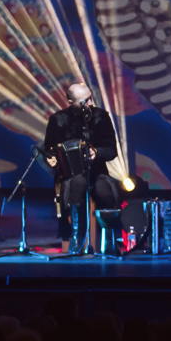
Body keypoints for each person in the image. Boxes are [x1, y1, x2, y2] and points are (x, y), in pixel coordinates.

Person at [41, 82, 120, 249]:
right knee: (78, 184)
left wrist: (97, 152)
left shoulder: (101, 117)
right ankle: (78, 236)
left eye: (91, 98)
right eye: (85, 101)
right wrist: (51, 159)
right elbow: (49, 150)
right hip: (69, 175)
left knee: (104, 190)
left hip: (97, 171)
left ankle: (109, 238)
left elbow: (112, 150)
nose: (90, 103)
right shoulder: (58, 120)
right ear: (72, 102)